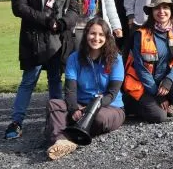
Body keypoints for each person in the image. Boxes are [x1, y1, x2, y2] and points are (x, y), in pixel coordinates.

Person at [5, 0, 80, 140]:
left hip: (58, 40)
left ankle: (56, 120)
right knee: (29, 81)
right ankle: (16, 122)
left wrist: (63, 23)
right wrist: (46, 20)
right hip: (35, 40)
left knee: (55, 80)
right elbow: (18, 7)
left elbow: (74, 8)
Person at [44, 17, 126, 160]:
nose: (96, 38)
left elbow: (112, 94)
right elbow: (70, 90)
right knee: (54, 104)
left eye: (101, 35)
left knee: (99, 118)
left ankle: (65, 133)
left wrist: (89, 110)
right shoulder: (74, 58)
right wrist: (73, 108)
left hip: (110, 107)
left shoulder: (116, 59)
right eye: (92, 33)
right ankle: (61, 140)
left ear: (107, 38)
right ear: (86, 34)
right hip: (80, 106)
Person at [122, 0, 173, 123]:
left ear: (171, 11)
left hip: (164, 80)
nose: (161, 11)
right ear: (151, 12)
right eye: (157, 8)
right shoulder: (140, 34)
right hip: (144, 84)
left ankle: (168, 102)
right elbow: (140, 68)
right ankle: (136, 104)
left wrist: (169, 80)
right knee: (159, 117)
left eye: (165, 7)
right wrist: (157, 94)